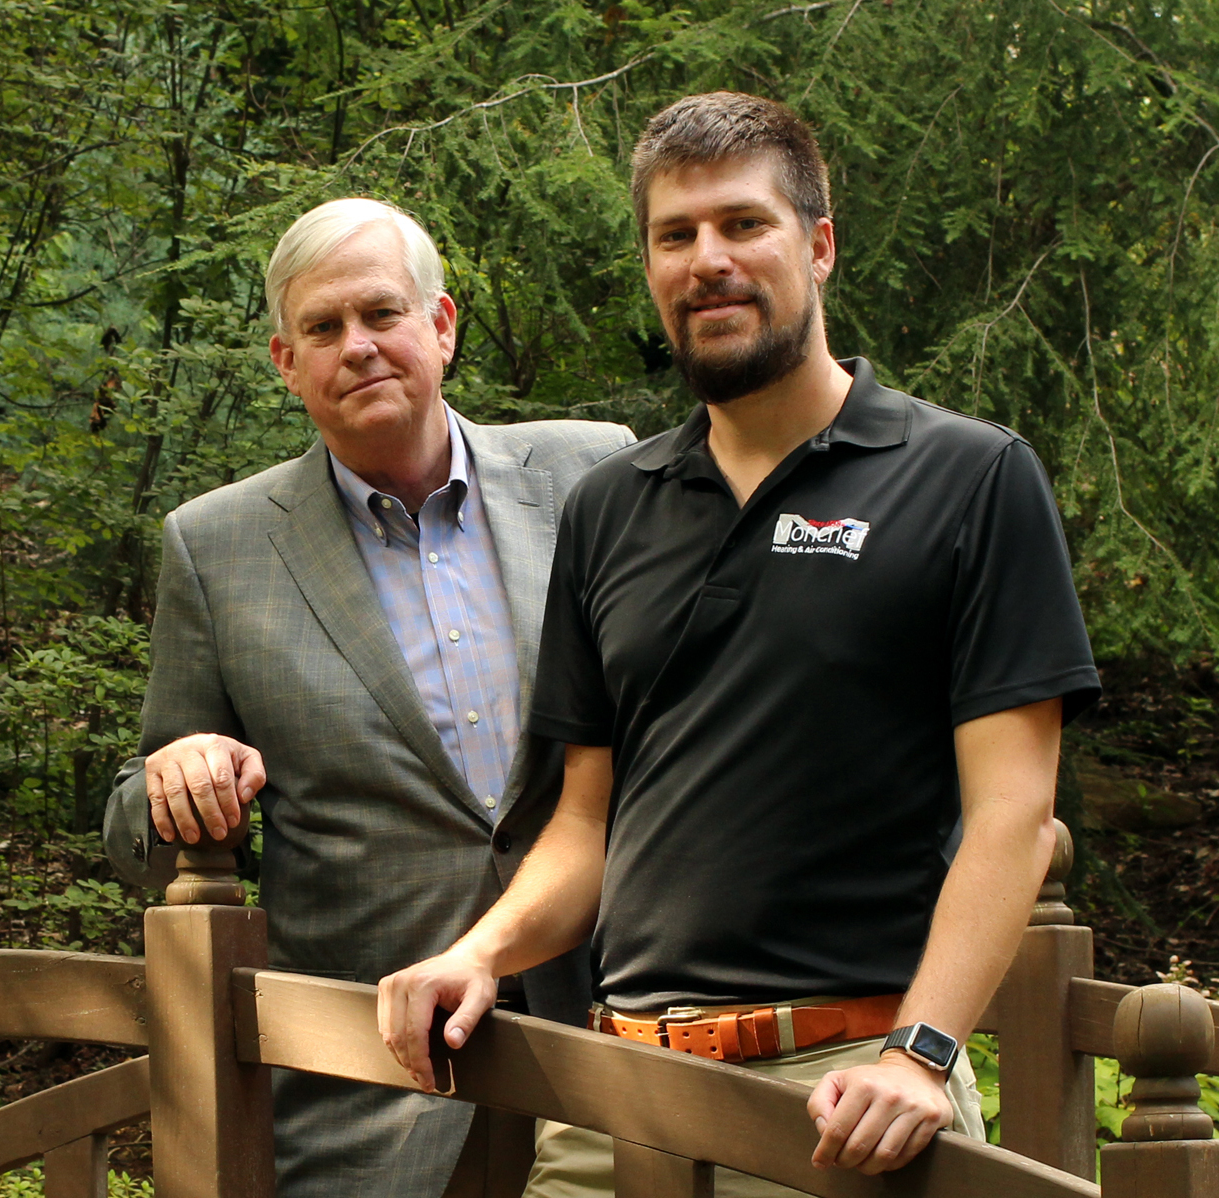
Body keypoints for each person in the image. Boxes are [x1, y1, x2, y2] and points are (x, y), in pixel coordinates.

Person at [377, 92, 1101, 1198]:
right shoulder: (610, 507)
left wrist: (921, 1049)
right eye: (674, 236)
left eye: (740, 224)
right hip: (612, 1101)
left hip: (847, 1099)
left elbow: (1011, 816)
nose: (704, 260)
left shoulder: (967, 478)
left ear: (816, 247)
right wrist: (479, 950)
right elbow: (584, 824)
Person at [102, 197, 633, 1198]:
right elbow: (140, 827)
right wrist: (169, 778)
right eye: (322, 327)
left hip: (611, 1046)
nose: (358, 346)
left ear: (440, 325)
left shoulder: (589, 474)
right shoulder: (216, 549)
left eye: (381, 314)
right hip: (374, 1093)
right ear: (283, 361)